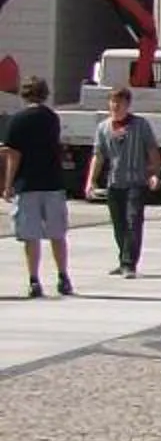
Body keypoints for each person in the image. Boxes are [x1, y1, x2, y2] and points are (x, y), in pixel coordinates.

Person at [2, 78, 75, 298]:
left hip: (27, 184)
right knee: (57, 234)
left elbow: (14, 155)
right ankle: (63, 276)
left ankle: (34, 279)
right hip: (53, 182)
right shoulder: (52, 118)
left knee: (31, 236)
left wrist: (8, 184)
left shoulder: (17, 120)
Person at [82, 84, 156, 279]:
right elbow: (98, 156)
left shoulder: (140, 125)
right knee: (118, 225)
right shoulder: (103, 127)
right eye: (113, 102)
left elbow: (152, 150)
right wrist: (91, 181)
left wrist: (154, 173)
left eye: (120, 102)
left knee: (133, 222)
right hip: (114, 183)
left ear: (127, 104)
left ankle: (129, 263)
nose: (115, 106)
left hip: (136, 182)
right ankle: (123, 258)